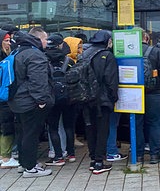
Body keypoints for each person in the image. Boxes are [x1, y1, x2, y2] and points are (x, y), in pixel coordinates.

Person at [8, 27, 53, 178]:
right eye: (46, 39)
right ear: (39, 39)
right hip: (30, 101)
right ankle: (30, 168)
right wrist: (41, 100)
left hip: (17, 100)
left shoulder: (17, 51)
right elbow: (38, 80)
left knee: (22, 133)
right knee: (31, 134)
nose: (47, 42)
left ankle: (24, 163)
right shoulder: (35, 55)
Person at [83, 30, 119, 174]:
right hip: (102, 100)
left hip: (85, 98)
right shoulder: (107, 56)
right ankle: (99, 162)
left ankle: (93, 159)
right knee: (103, 130)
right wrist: (113, 97)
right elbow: (111, 80)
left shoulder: (85, 54)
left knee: (90, 129)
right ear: (107, 41)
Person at [135, 29, 160, 164]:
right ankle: (155, 155)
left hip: (135, 94)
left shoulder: (129, 52)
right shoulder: (156, 52)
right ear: (146, 38)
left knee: (137, 125)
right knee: (154, 124)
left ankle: (138, 155)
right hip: (154, 93)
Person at [44, 34, 76, 166]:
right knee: (69, 126)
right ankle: (71, 154)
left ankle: (58, 157)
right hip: (68, 97)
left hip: (51, 97)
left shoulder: (43, 60)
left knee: (53, 128)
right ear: (60, 45)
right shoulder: (69, 61)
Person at [0, 27, 18, 169]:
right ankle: (6, 157)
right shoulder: (5, 58)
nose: (9, 43)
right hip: (3, 96)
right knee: (6, 126)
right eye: (6, 40)